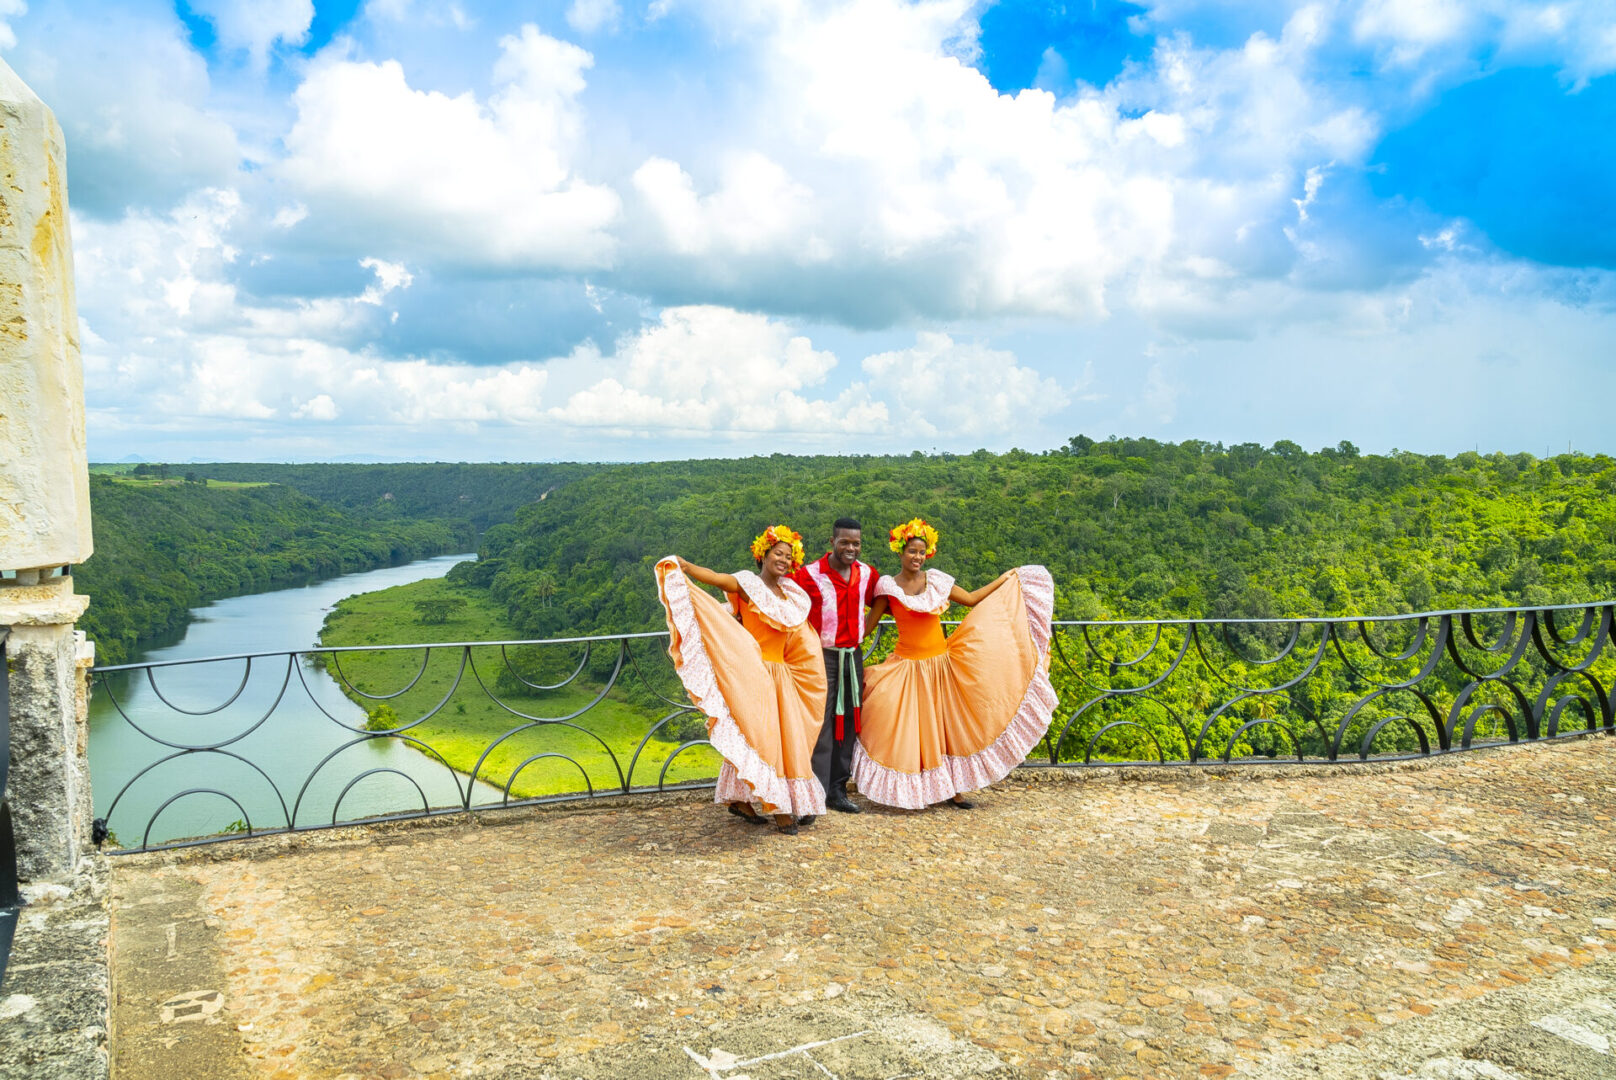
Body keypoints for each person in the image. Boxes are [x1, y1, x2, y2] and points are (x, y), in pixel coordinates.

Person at [852, 517, 1057, 810]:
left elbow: (972, 599)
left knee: (948, 729)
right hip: (908, 667)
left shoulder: (936, 580)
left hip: (942, 666)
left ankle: (954, 790)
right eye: (912, 551)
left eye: (922, 552)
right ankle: (921, 790)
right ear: (900, 551)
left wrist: (1006, 578)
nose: (917, 557)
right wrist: (831, 634)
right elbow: (867, 627)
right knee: (911, 730)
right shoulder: (887, 587)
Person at [654, 526, 827, 834]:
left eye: (789, 556)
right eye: (778, 553)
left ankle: (748, 799)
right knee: (760, 737)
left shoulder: (791, 594)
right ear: (764, 553)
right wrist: (686, 566)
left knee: (778, 739)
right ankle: (781, 810)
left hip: (781, 676)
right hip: (754, 672)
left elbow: (799, 637)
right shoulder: (748, 584)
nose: (783, 560)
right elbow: (718, 577)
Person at [792, 517, 880, 816]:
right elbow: (782, 600)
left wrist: (865, 629)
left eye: (856, 543)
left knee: (850, 720)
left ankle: (837, 791)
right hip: (821, 657)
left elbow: (884, 600)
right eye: (844, 542)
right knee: (822, 723)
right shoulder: (808, 575)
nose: (851, 548)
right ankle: (812, 793)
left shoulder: (867, 574)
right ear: (832, 542)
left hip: (852, 655)